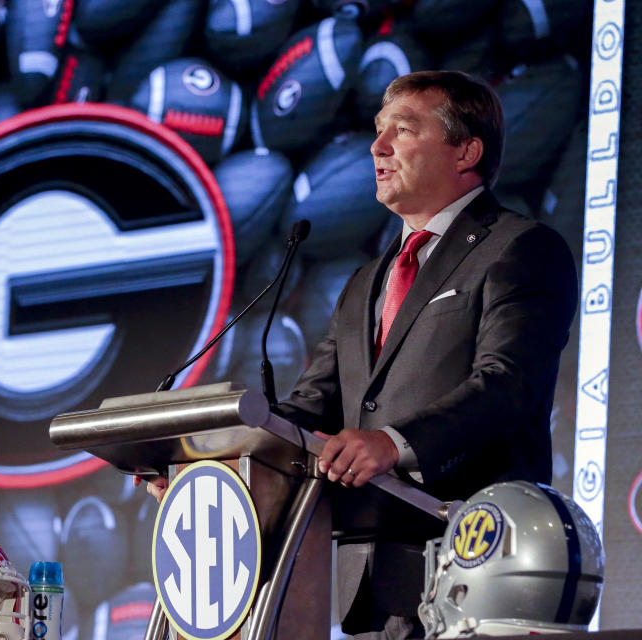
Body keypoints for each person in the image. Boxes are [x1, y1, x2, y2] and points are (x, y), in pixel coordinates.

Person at [138, 70, 578, 640]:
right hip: (369, 585)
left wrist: (392, 444)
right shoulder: (366, 282)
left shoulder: (520, 248)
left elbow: (509, 385)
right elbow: (312, 407)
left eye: (404, 128)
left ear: (466, 150)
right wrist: (209, 459)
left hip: (475, 564)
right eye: (377, 130)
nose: (377, 147)